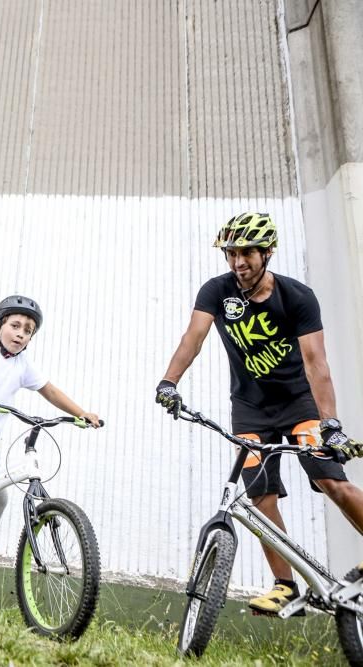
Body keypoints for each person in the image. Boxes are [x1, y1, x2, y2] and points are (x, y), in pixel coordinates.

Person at [156, 212, 363, 615]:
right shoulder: (217, 292)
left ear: (267, 252)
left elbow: (315, 362)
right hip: (249, 410)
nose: (238, 262)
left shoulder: (297, 297)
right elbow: (192, 338)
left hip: (299, 405)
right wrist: (169, 382)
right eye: (231, 253)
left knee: (330, 479)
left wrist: (331, 425)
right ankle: (285, 585)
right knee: (260, 496)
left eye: (247, 252)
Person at [0, 295, 101, 594]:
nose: (21, 333)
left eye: (28, 330)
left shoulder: (23, 365)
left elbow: (49, 391)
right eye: (15, 325)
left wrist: (81, 413)